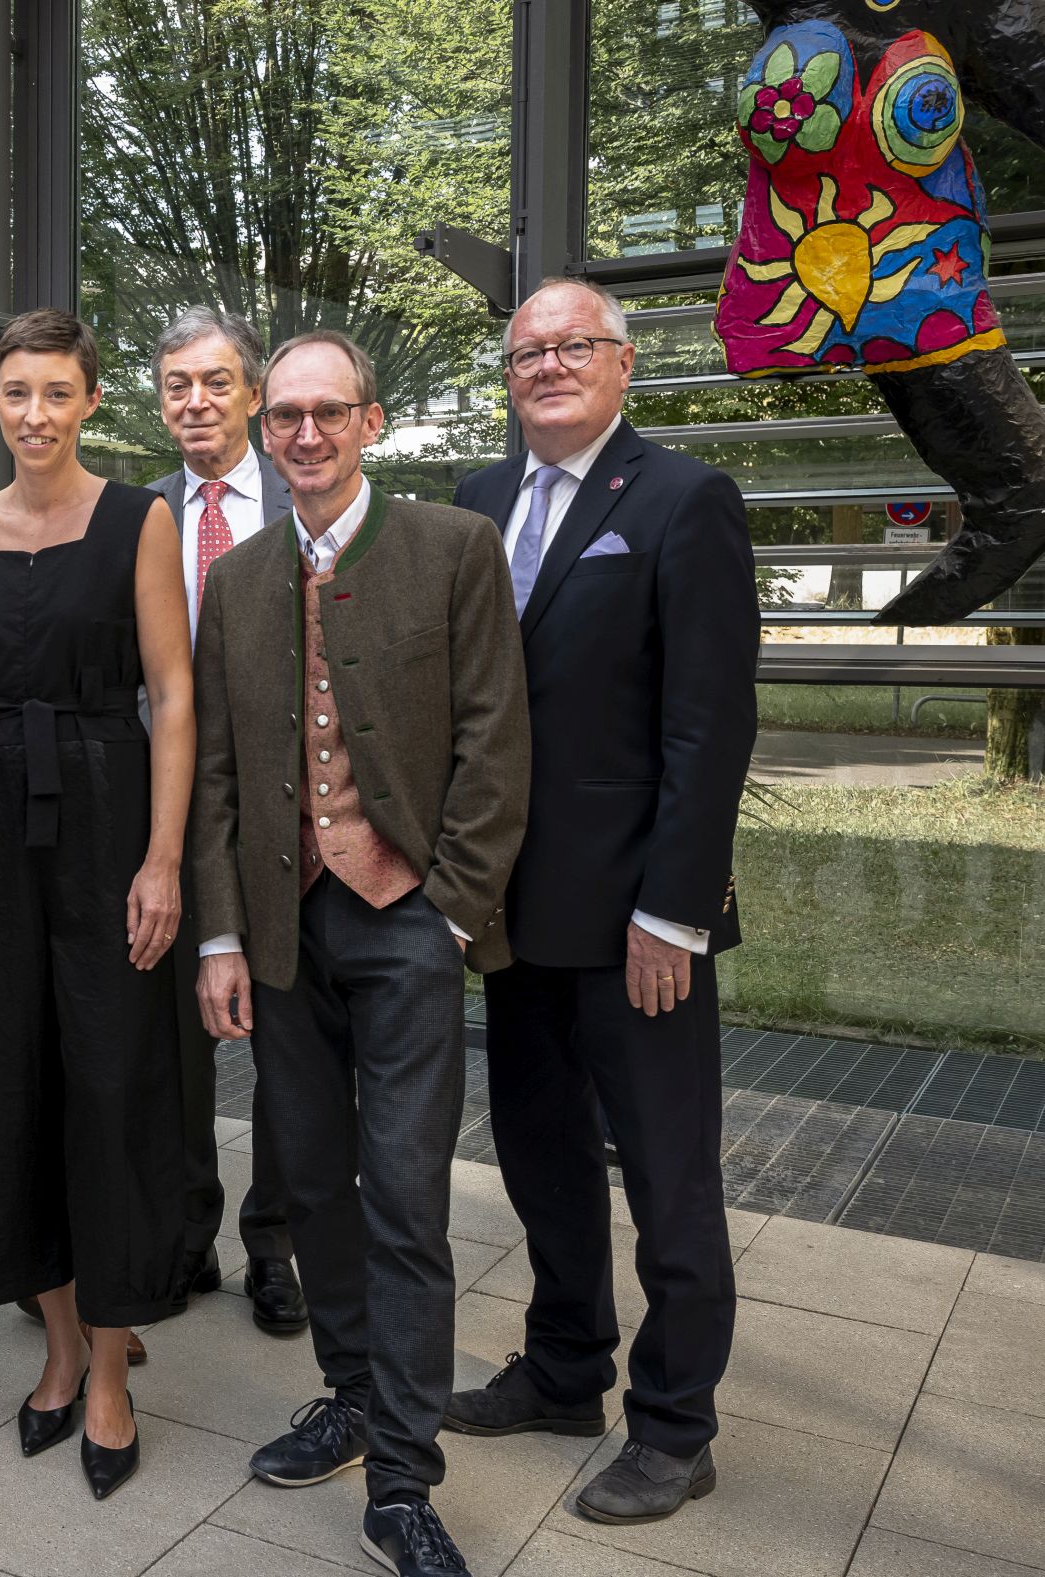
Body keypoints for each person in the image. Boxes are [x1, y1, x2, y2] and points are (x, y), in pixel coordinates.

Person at [190, 330, 529, 1577]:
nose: (304, 433)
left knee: (402, 1190)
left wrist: (448, 908)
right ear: (262, 427)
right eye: (284, 414)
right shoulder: (237, 576)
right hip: (282, 925)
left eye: (327, 411)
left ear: (370, 421)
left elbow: (495, 738)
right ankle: (347, 1390)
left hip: (405, 920)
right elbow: (217, 773)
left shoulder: (452, 546)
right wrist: (220, 933)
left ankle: (401, 1475)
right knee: (312, 1181)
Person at [444, 279, 757, 1525]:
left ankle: (676, 1424)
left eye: (574, 345)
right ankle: (565, 1368)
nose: (548, 365)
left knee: (668, 1178)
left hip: (638, 921)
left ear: (622, 364)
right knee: (542, 1158)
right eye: (527, 351)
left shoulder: (683, 499)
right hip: (511, 911)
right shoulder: (474, 500)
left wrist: (674, 912)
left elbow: (708, 725)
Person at [0, 308, 192, 1501]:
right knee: (6, 1083)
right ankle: (62, 1343)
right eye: (16, 392)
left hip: (105, 821)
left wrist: (161, 858)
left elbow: (172, 694)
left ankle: (114, 1370)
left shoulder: (138, 518)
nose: (35, 413)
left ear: (90, 400)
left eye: (56, 392)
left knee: (111, 1086)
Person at [145, 306, 304, 1334]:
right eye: (177, 386)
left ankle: (276, 1240)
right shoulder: (138, 516)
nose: (196, 402)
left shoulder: (307, 494)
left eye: (215, 382)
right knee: (173, 1039)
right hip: (168, 806)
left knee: (288, 1033)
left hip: (285, 806)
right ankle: (186, 1228)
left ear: (252, 392)